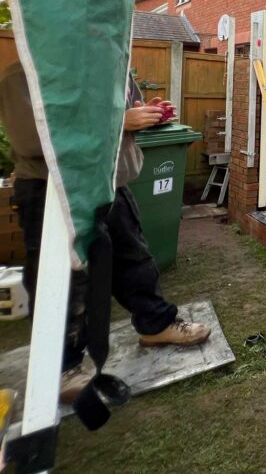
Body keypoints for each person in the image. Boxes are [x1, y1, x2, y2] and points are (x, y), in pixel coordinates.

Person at [0, 61, 210, 404]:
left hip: (110, 181)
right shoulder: (25, 71)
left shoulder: (111, 62)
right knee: (64, 278)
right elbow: (31, 138)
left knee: (134, 258)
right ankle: (63, 365)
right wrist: (118, 123)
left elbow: (127, 113)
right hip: (52, 189)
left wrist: (145, 114)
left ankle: (156, 324)